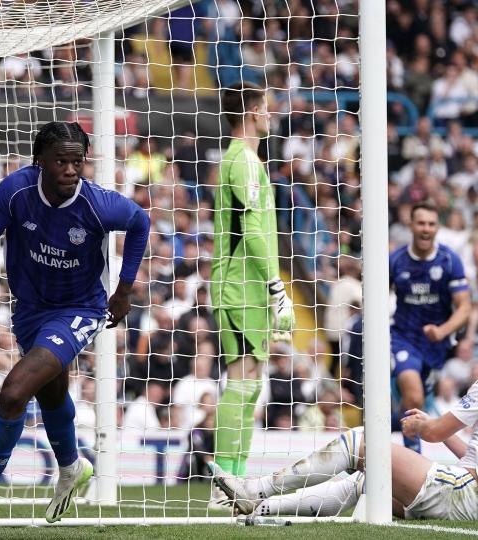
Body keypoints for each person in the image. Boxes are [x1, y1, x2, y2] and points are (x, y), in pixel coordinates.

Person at [0, 122, 150, 531]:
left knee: (17, 389)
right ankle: (72, 467)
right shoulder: (14, 191)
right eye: (62, 161)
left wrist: (124, 291)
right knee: (52, 393)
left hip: (80, 309)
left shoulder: (98, 205)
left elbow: (140, 223)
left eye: (78, 161)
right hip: (30, 310)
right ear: (40, 162)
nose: (72, 170)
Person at [209, 322, 478, 522]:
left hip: (464, 491)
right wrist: (435, 430)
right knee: (368, 484)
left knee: (361, 442)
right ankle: (261, 507)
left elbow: (432, 433)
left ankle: (257, 488)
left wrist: (421, 427)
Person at [209, 82, 295, 507]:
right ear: (254, 112)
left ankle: (235, 481)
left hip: (249, 287)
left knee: (251, 387)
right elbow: (253, 230)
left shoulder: (248, 159)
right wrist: (277, 284)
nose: (271, 115)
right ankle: (223, 483)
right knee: (241, 385)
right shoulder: (241, 160)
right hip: (239, 286)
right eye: (267, 108)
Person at [390, 203, 472, 452]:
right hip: (402, 338)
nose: (426, 229)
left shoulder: (449, 261)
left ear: (437, 228)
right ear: (411, 226)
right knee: (414, 395)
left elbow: (465, 307)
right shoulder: (395, 261)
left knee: (418, 400)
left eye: (431, 224)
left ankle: (401, 412)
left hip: (436, 345)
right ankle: (413, 457)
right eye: (421, 223)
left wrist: (442, 332)